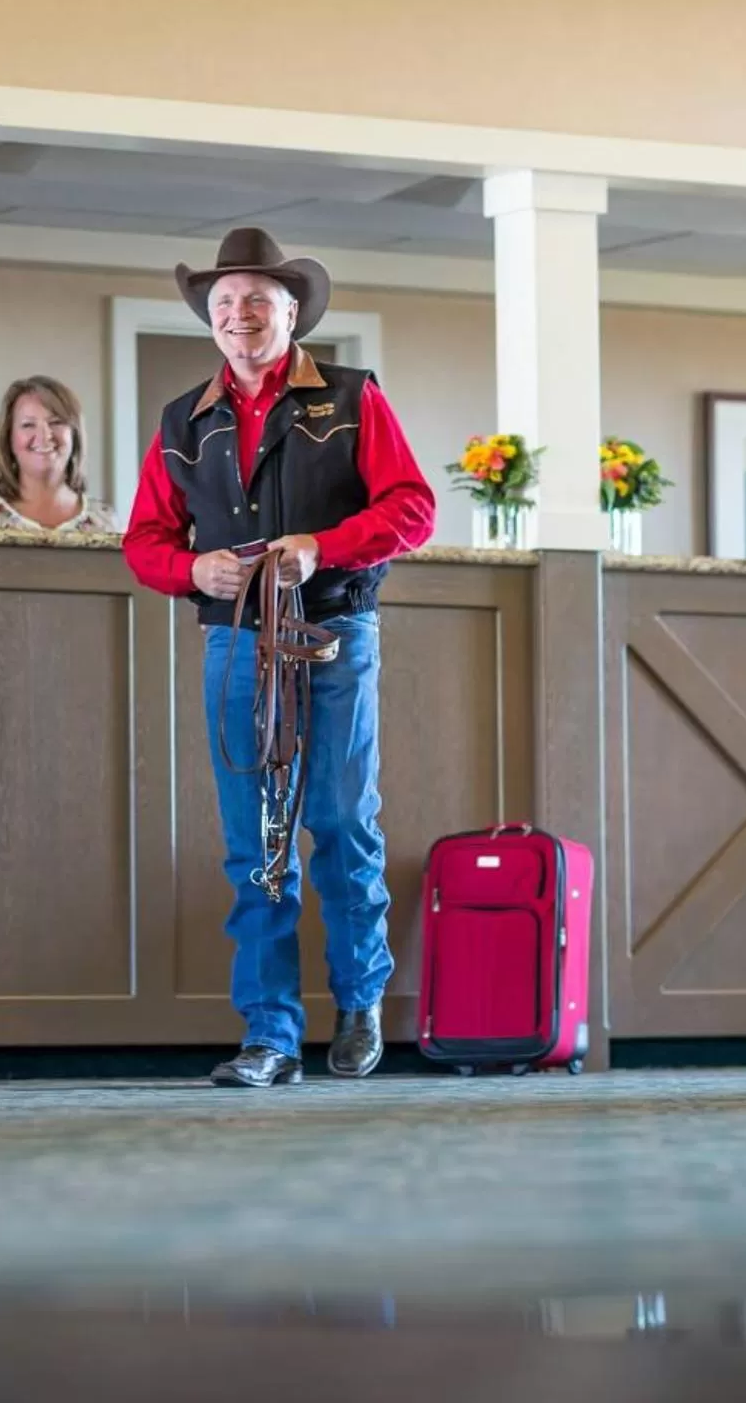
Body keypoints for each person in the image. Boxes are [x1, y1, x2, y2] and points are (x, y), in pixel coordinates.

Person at [122, 227, 436, 1088]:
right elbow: (143, 540)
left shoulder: (351, 396)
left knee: (339, 822)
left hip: (334, 629)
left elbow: (413, 508)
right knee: (253, 840)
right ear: (210, 321)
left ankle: (360, 997)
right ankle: (269, 1032)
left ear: (292, 312)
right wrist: (193, 567)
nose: (240, 315)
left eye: (258, 300)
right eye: (225, 304)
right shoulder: (183, 420)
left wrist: (323, 548)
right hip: (233, 638)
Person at [0, 375, 119, 532]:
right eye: (28, 424)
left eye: (56, 422)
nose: (45, 435)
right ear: (8, 437)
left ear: (75, 434)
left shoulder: (105, 521)